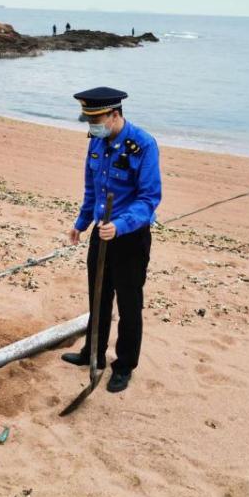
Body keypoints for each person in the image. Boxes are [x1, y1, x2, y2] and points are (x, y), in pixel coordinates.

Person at [62, 87, 162, 392]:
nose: (92, 126)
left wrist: (119, 225)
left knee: (130, 304)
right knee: (98, 296)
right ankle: (93, 353)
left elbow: (149, 199)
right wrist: (82, 223)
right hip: (100, 234)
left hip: (130, 238)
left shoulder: (142, 146)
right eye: (89, 120)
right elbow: (91, 189)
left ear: (114, 114)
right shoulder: (97, 142)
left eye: (97, 119)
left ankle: (124, 365)